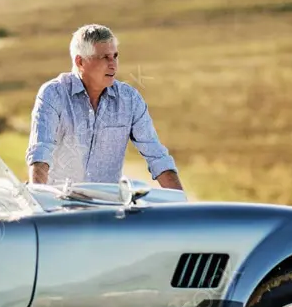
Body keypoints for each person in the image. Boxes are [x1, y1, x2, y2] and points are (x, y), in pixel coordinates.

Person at [25, 24, 183, 190]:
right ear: (80, 62)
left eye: (115, 56)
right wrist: (39, 197)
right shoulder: (53, 94)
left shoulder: (130, 99)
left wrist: (184, 208)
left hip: (106, 209)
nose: (113, 64)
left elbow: (157, 156)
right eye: (105, 57)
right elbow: (41, 152)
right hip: (58, 207)